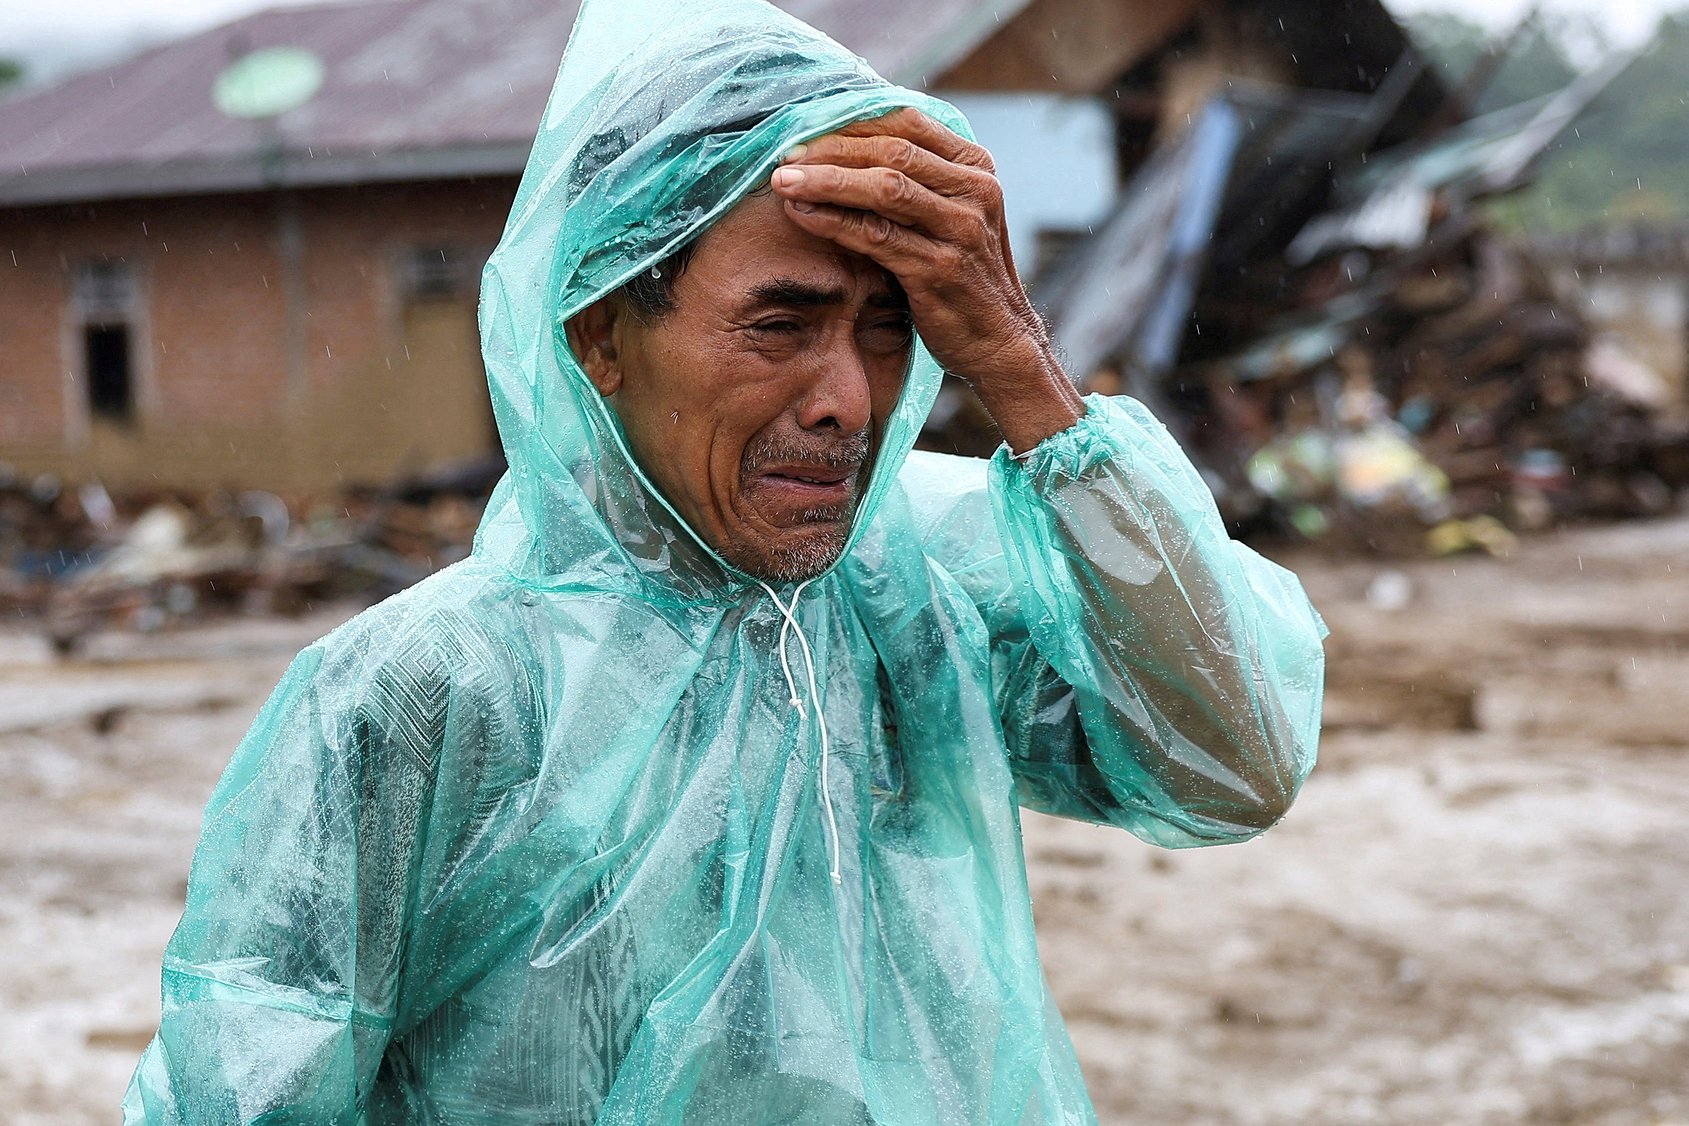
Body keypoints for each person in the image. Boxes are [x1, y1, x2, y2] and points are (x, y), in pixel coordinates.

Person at [124, 1, 1325, 1122]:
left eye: (889, 331)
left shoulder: (922, 594)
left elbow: (1230, 766)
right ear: (600, 331)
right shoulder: (428, 695)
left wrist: (1020, 365)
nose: (848, 399)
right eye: (779, 326)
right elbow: (246, 1088)